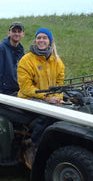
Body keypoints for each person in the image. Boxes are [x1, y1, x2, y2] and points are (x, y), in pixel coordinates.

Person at [17, 27, 65, 166]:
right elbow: (26, 88)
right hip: (27, 98)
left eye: (44, 38)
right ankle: (33, 145)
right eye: (39, 38)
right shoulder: (26, 61)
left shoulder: (57, 60)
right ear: (35, 40)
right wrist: (47, 98)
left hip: (49, 99)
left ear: (50, 41)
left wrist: (57, 97)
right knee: (47, 114)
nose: (41, 40)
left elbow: (59, 84)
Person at [0, 21, 25, 95]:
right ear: (9, 33)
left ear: (23, 34)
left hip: (19, 92)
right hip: (5, 93)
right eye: (14, 31)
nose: (16, 34)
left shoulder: (21, 51)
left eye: (19, 31)